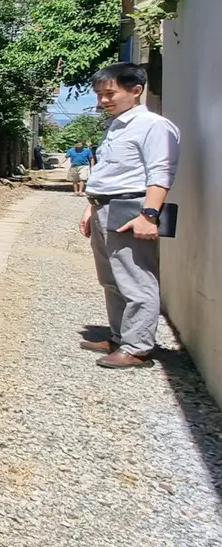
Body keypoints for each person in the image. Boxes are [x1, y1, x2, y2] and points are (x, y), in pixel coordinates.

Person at [79, 62, 180, 370]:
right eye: (99, 94)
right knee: (111, 278)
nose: (103, 101)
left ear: (136, 90)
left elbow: (161, 172)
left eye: (110, 93)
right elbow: (109, 172)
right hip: (104, 206)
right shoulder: (117, 125)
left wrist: (149, 214)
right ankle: (121, 335)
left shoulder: (153, 126)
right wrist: (90, 207)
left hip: (130, 208)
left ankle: (137, 348)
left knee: (136, 280)